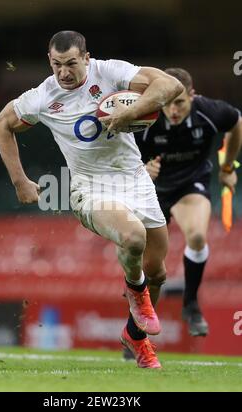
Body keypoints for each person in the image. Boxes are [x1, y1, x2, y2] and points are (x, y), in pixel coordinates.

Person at [0, 31, 183, 369]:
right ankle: (136, 294)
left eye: (71, 64)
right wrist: (20, 180)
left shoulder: (109, 72)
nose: (64, 72)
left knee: (158, 272)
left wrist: (131, 112)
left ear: (86, 58)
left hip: (135, 179)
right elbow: (1, 124)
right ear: (50, 62)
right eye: (56, 65)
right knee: (133, 236)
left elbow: (170, 85)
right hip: (89, 187)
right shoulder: (42, 97)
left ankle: (135, 337)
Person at [134, 67, 242, 337]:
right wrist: (140, 170)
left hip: (189, 187)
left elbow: (236, 122)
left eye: (180, 102)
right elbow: (119, 159)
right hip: (151, 193)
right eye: (167, 103)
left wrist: (227, 167)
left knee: (196, 237)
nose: (173, 110)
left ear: (193, 96)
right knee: (152, 268)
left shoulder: (208, 112)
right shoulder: (144, 120)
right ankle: (137, 331)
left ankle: (191, 304)